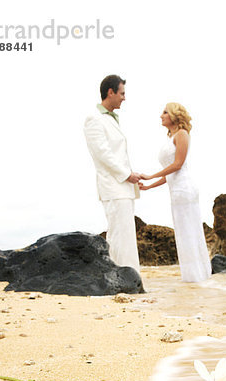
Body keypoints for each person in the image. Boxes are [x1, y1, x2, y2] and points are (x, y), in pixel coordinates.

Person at [139, 103, 211, 282]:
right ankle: (193, 278)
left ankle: (197, 278)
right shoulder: (172, 137)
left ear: (174, 115)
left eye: (164, 112)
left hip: (185, 190)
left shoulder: (182, 134)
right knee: (183, 233)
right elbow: (169, 174)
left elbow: (178, 165)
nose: (161, 115)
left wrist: (149, 176)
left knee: (189, 232)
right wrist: (149, 185)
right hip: (176, 190)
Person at [84, 74, 141, 273]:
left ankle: (132, 280)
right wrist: (127, 175)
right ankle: (124, 282)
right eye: (122, 93)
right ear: (111, 92)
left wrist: (131, 175)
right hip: (113, 187)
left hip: (123, 187)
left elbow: (116, 155)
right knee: (119, 237)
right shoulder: (94, 119)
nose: (124, 98)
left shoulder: (111, 120)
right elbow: (103, 154)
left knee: (125, 236)